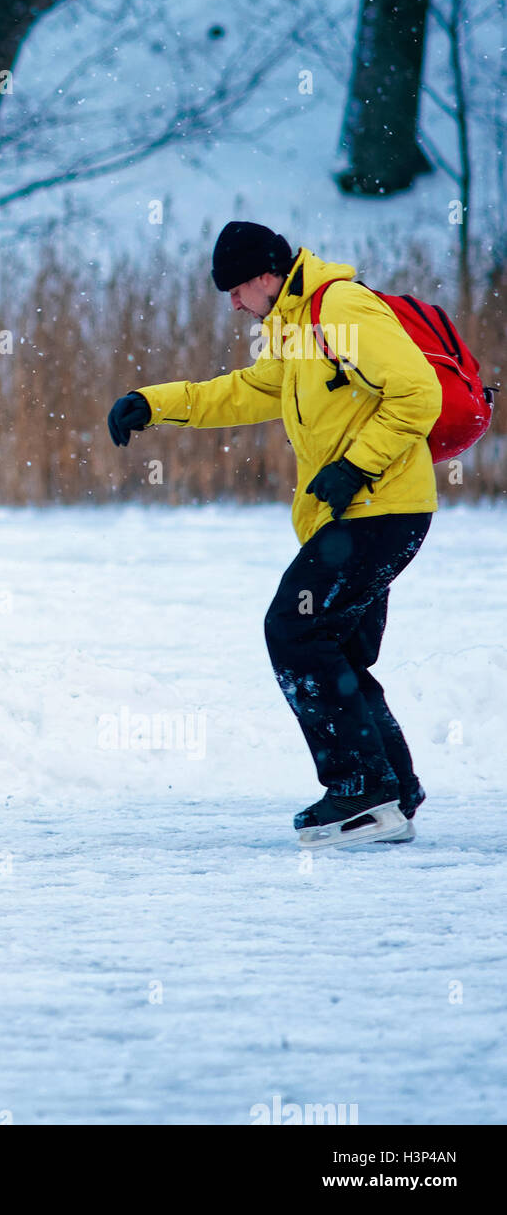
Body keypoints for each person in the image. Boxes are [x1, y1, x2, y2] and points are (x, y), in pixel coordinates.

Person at [107, 221, 442, 848]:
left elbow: (417, 392)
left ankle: (360, 791)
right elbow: (251, 390)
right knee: (332, 644)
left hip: (381, 508)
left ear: (266, 274)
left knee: (295, 628)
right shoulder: (292, 324)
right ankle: (390, 790)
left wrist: (355, 466)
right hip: (360, 514)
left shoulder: (338, 307)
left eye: (235, 289)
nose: (232, 303)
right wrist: (154, 402)